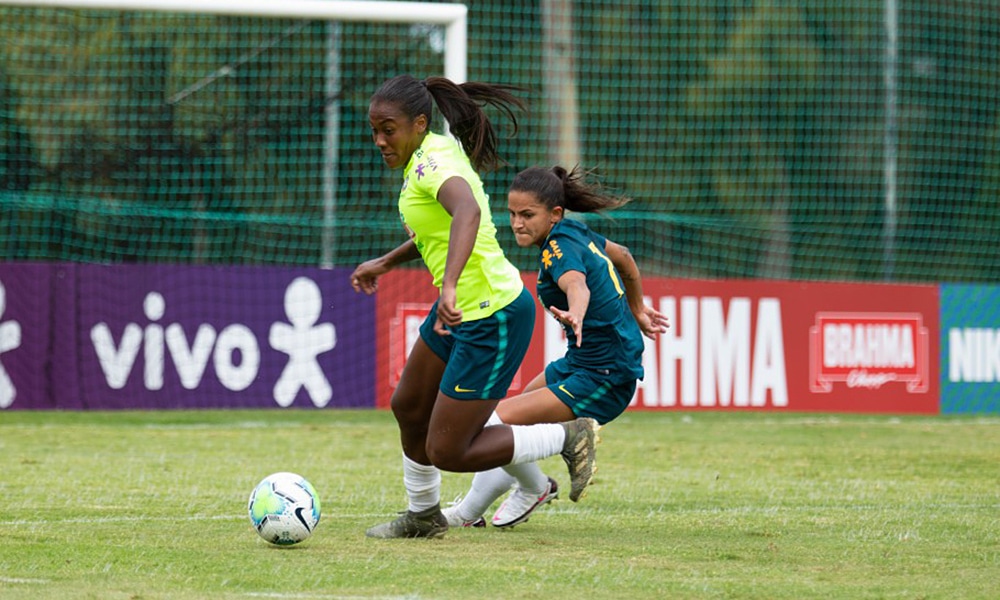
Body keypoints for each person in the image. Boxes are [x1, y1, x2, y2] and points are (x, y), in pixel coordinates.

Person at [351, 75, 600, 539]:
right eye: (374, 130)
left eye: (389, 129)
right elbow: (437, 230)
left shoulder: (430, 164)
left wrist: (447, 287)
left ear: (419, 123)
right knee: (408, 405)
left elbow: (467, 212)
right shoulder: (430, 155)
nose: (380, 140)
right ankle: (424, 516)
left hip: (492, 315)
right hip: (461, 309)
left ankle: (567, 435)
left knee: (449, 450)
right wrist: (385, 263)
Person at [441, 165, 669, 529]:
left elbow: (577, 284)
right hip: (585, 362)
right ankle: (478, 510)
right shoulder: (574, 231)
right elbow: (624, 255)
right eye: (513, 214)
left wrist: (577, 311)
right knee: (500, 423)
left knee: (496, 424)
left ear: (554, 214)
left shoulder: (557, 249)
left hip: (603, 375)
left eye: (527, 215)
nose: (517, 223)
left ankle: (524, 491)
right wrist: (637, 308)